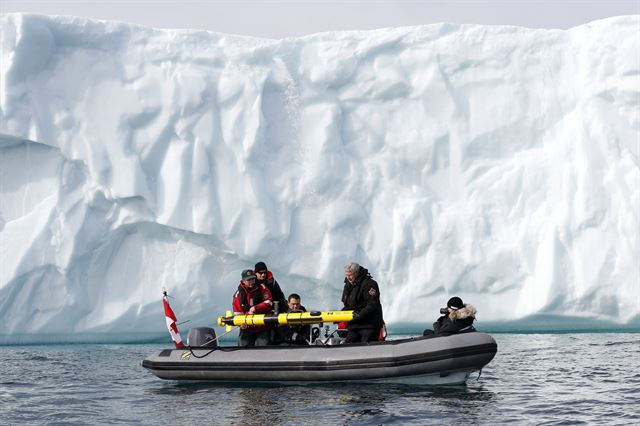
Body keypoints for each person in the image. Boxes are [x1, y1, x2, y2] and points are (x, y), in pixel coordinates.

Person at [341, 262, 384, 343]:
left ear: (356, 273)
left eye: (351, 275)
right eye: (347, 275)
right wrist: (340, 316)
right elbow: (348, 305)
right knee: (348, 344)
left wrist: (359, 315)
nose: (348, 277)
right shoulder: (348, 285)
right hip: (355, 325)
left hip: (369, 325)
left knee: (367, 346)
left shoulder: (370, 284)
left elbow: (372, 304)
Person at [232, 269, 273, 347]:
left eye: (253, 279)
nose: (252, 282)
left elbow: (269, 302)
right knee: (242, 350)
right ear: (243, 281)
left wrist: (256, 308)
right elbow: (238, 314)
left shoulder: (262, 288)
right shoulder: (238, 295)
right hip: (247, 329)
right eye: (249, 280)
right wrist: (241, 324)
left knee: (264, 350)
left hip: (263, 327)